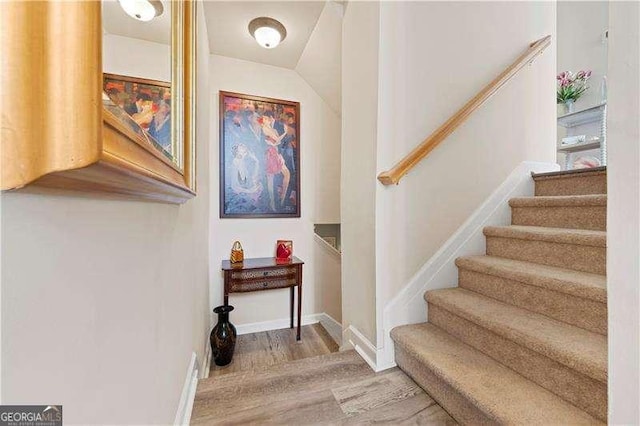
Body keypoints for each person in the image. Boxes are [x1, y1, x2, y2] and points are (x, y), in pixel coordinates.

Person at [260, 112, 290, 212]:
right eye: (263, 118)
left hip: (276, 153)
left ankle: (281, 199)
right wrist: (285, 133)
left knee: (287, 174)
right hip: (270, 155)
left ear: (270, 119)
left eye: (265, 118)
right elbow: (276, 141)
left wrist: (284, 133)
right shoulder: (264, 129)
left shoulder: (273, 129)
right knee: (270, 181)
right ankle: (273, 204)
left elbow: (278, 142)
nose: (263, 120)